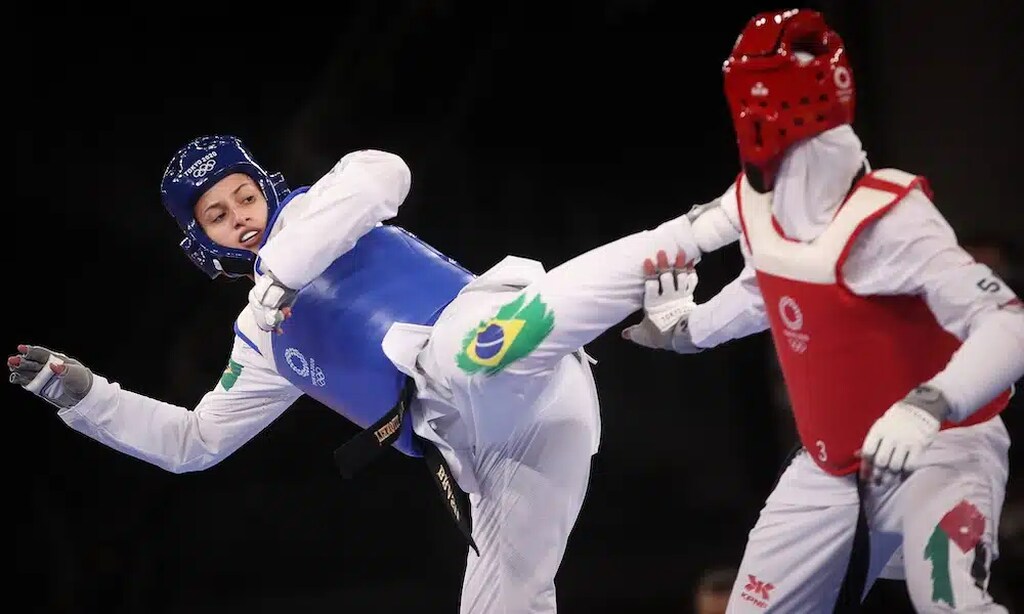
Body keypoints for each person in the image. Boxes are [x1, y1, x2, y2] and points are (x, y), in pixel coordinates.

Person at [9, 134, 706, 613]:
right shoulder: (259, 340)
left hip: (494, 355)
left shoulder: (325, 204)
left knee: (478, 345)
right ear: (200, 242)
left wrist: (283, 272)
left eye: (243, 198)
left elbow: (388, 173)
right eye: (217, 216)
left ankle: (702, 237)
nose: (241, 219)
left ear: (265, 187)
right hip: (492, 449)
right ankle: (653, 286)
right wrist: (89, 398)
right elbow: (194, 443)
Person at [622, 8, 1024, 613]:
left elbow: (1010, 326)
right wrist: (687, 330)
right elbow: (767, 287)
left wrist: (927, 407)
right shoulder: (754, 200)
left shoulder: (891, 218)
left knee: (953, 605)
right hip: (829, 464)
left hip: (939, 450)